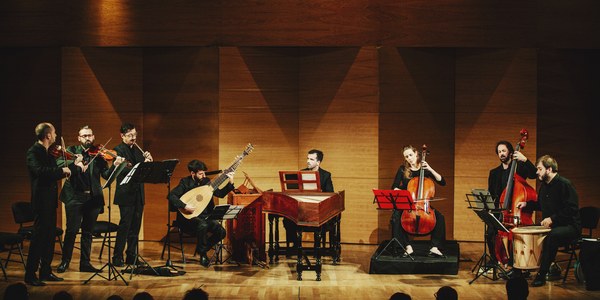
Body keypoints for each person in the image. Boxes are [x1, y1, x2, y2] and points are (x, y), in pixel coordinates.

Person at [56, 125, 125, 273]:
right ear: (79, 138)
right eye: (84, 136)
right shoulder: (71, 151)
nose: (88, 138)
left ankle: (85, 263)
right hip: (75, 196)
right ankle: (65, 262)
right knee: (72, 231)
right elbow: (59, 163)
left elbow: (106, 175)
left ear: (93, 137)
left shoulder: (99, 155)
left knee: (88, 232)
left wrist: (115, 165)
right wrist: (75, 162)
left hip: (92, 198)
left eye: (90, 135)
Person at [516, 155, 580, 287]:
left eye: (539, 169)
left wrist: (552, 219)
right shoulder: (544, 186)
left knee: (551, 236)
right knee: (524, 230)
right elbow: (541, 205)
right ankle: (519, 270)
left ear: (549, 169)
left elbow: (572, 209)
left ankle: (541, 274)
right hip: (553, 226)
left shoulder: (564, 184)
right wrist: (526, 204)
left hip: (570, 227)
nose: (537, 172)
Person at [24, 122, 71, 286]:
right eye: (54, 133)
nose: (57, 136)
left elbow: (55, 170)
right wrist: (61, 171)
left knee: (50, 237)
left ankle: (45, 271)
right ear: (48, 135)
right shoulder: (33, 152)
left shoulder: (49, 152)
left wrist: (69, 166)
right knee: (38, 238)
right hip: (41, 202)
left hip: (50, 202)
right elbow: (40, 172)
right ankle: (30, 274)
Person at [167, 160, 235, 267]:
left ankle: (201, 248)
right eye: (200, 173)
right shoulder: (185, 182)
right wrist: (185, 206)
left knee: (221, 232)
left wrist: (230, 182)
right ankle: (203, 255)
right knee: (202, 225)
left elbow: (220, 194)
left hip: (205, 217)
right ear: (192, 173)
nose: (203, 175)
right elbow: (171, 196)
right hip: (188, 219)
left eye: (204, 172)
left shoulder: (207, 182)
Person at [487, 141, 537, 274]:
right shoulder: (494, 173)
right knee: (491, 232)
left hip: (516, 212)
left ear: (510, 151)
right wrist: (491, 209)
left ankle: (517, 263)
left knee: (514, 234)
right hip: (501, 211)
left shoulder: (519, 168)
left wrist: (525, 159)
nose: (501, 154)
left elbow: (534, 174)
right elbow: (491, 194)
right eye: (499, 152)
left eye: (504, 151)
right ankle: (495, 260)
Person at [391, 145, 446, 257]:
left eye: (411, 155)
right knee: (396, 217)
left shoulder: (425, 168)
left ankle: (435, 247)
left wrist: (430, 169)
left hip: (423, 205)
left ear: (416, 153)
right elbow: (394, 186)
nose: (409, 158)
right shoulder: (403, 169)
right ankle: (407, 246)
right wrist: (397, 189)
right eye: (406, 156)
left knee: (440, 217)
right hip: (409, 204)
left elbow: (442, 182)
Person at [112, 122, 153, 267]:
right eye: (130, 135)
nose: (133, 138)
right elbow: (122, 171)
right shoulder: (118, 150)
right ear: (122, 136)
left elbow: (144, 174)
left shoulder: (138, 151)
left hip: (138, 195)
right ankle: (117, 257)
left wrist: (148, 162)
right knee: (125, 226)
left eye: (135, 135)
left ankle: (132, 256)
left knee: (135, 227)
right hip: (126, 194)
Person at [282, 149, 334, 248]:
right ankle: (296, 244)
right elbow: (295, 191)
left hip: (319, 211)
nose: (308, 161)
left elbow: (330, 194)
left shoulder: (326, 175)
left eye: (311, 159)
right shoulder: (301, 173)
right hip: (303, 210)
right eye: (307, 158)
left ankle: (317, 247)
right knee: (288, 219)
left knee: (325, 222)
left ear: (318, 162)